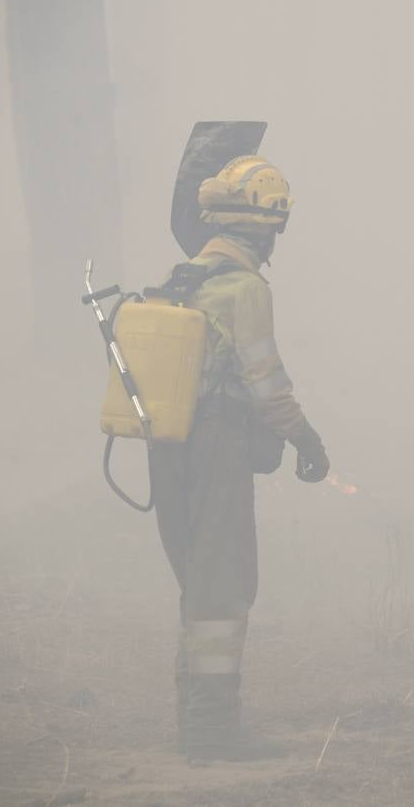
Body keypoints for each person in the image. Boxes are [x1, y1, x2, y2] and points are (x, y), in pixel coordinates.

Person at [151, 154, 329, 761]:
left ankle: (195, 721)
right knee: (223, 581)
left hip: (167, 447)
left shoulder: (180, 282)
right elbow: (265, 381)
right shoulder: (245, 289)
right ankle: (210, 731)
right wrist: (306, 438)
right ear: (264, 228)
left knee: (195, 577)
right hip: (216, 444)